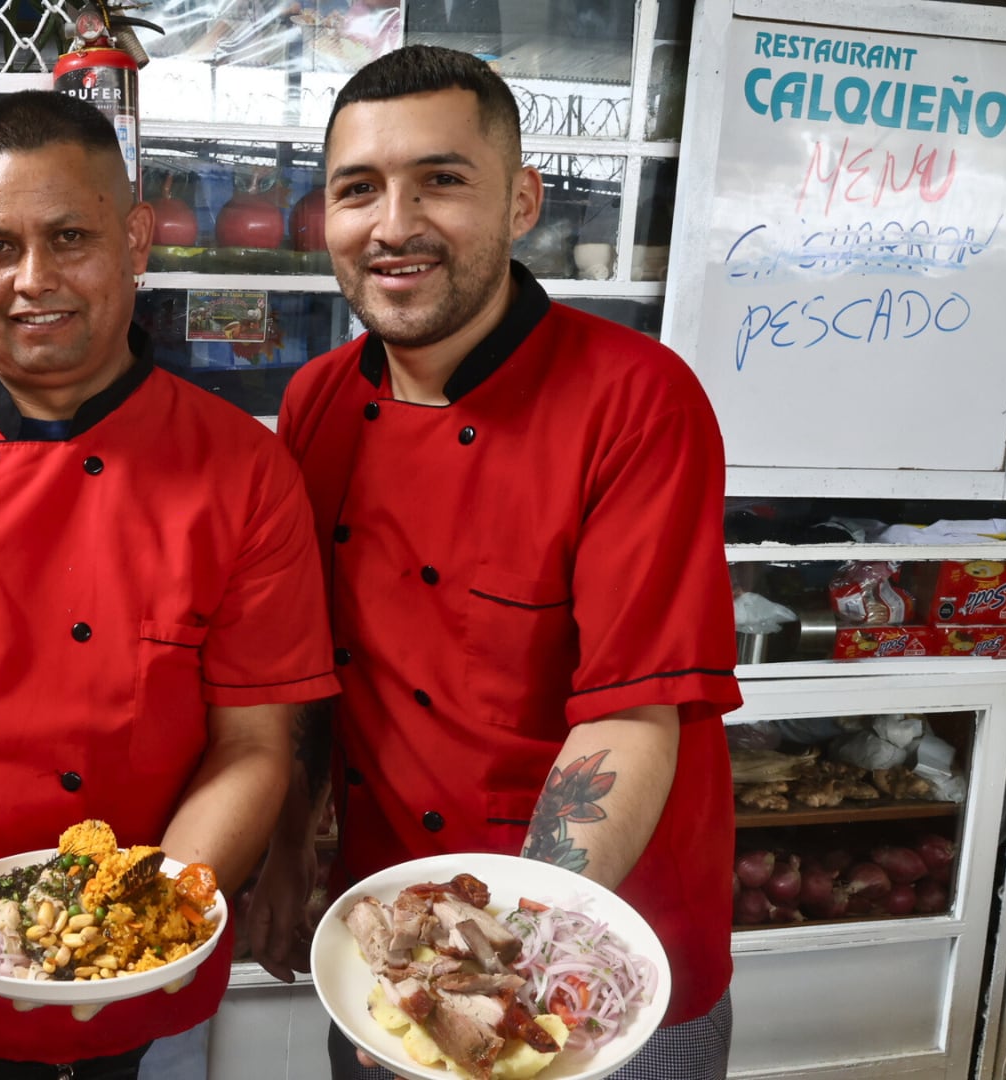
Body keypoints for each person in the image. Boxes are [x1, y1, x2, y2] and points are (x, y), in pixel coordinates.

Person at [0, 90, 339, 1080]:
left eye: (70, 237)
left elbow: (253, 744)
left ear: (136, 239)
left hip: (126, 968)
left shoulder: (242, 475)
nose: (33, 280)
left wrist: (144, 916)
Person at [244, 46, 742, 1079]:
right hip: (391, 926)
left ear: (522, 201)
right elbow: (314, 666)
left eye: (441, 180)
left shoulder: (637, 399)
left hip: (594, 957)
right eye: (356, 191)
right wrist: (292, 845)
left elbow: (627, 712)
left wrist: (493, 967)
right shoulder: (317, 404)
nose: (393, 224)